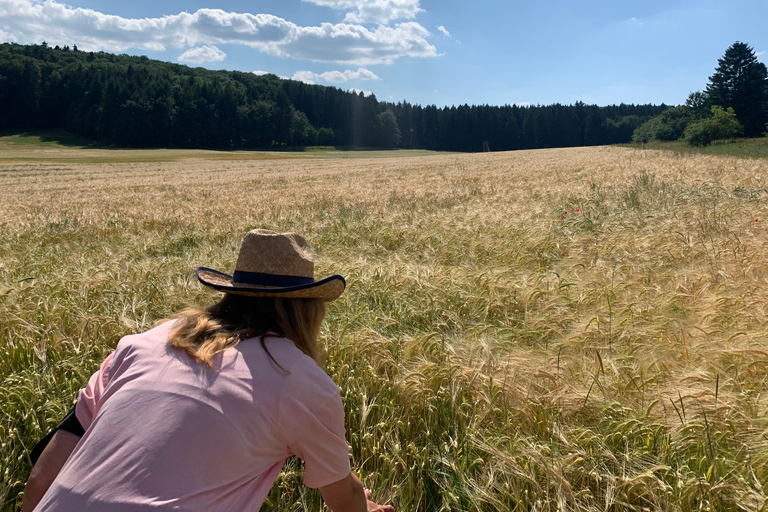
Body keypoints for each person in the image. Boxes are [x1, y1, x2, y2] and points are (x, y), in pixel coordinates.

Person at [23, 229, 394, 512]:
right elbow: (341, 497)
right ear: (308, 309)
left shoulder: (143, 343)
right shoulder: (299, 379)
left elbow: (47, 469)